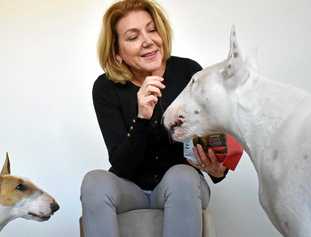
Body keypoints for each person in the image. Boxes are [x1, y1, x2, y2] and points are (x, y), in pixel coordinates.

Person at [80, 1, 243, 237]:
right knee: (94, 181)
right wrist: (142, 117)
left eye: (152, 29)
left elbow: (212, 137)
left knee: (182, 175)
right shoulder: (106, 88)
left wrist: (218, 170)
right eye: (133, 36)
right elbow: (121, 163)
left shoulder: (188, 72)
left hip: (181, 186)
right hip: (130, 190)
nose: (148, 40)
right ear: (117, 53)